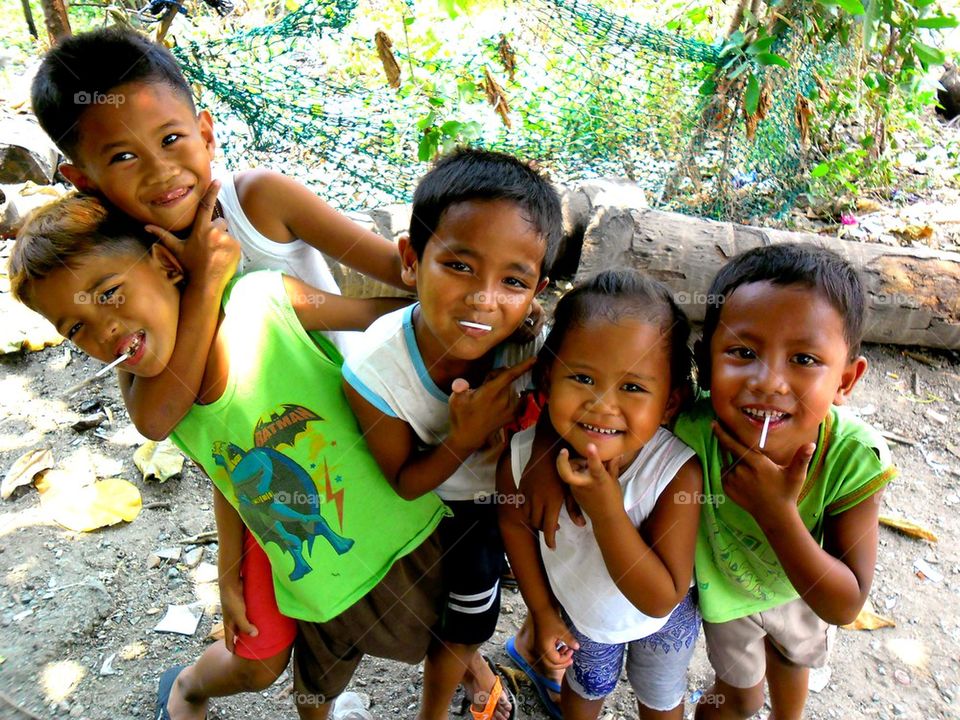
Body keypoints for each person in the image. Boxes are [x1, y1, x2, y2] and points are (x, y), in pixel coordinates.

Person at [9, 195, 449, 720]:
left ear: (168, 264)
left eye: (109, 293)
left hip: (383, 519)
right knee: (260, 665)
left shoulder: (264, 303)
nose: (102, 329)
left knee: (444, 623)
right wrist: (229, 569)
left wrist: (473, 314)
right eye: (75, 328)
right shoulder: (157, 393)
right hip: (280, 536)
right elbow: (226, 471)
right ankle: (188, 689)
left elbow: (379, 315)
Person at [30, 26, 407, 441]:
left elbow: (401, 272)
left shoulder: (261, 200)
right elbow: (154, 419)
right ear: (83, 180)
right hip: (273, 470)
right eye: (123, 157)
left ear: (206, 135)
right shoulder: (123, 258)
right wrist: (206, 283)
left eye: (171, 138)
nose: (161, 171)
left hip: (374, 427)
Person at [342, 148, 562, 720]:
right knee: (432, 616)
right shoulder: (374, 371)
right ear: (412, 261)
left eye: (513, 280)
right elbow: (405, 484)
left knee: (468, 624)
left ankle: (467, 686)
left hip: (502, 505)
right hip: (431, 510)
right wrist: (464, 437)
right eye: (460, 266)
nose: (485, 298)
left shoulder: (532, 346)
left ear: (535, 289)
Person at [675, 243, 896, 719]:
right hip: (728, 599)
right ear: (706, 365)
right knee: (736, 697)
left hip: (806, 595)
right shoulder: (692, 430)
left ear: (846, 380)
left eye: (804, 360)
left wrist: (777, 514)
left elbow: (845, 604)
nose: (770, 381)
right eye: (743, 351)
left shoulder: (852, 458)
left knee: (792, 666)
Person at [497, 270, 703, 720]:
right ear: (548, 379)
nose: (602, 404)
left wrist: (606, 510)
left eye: (632, 387)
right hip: (580, 616)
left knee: (663, 698)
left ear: (670, 402)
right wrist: (543, 613)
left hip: (663, 625)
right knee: (584, 692)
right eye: (582, 378)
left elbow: (659, 598)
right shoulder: (519, 463)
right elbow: (514, 527)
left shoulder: (675, 475)